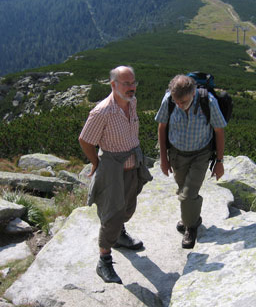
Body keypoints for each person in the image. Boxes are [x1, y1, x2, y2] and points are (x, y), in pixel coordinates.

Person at [79, 65, 152, 284]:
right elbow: (85, 140)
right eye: (126, 83)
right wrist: (95, 162)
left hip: (132, 165)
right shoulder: (102, 112)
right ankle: (104, 260)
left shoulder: (132, 102)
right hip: (113, 169)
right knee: (111, 215)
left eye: (133, 83)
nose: (131, 88)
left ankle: (119, 235)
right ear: (113, 85)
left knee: (128, 207)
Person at [155, 74, 227, 249]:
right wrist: (163, 158)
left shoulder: (208, 102)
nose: (180, 105)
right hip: (177, 154)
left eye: (184, 101)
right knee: (183, 190)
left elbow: (219, 131)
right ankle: (193, 218)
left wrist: (219, 161)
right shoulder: (169, 100)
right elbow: (162, 127)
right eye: (177, 101)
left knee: (187, 195)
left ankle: (191, 227)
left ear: (193, 93)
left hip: (200, 155)